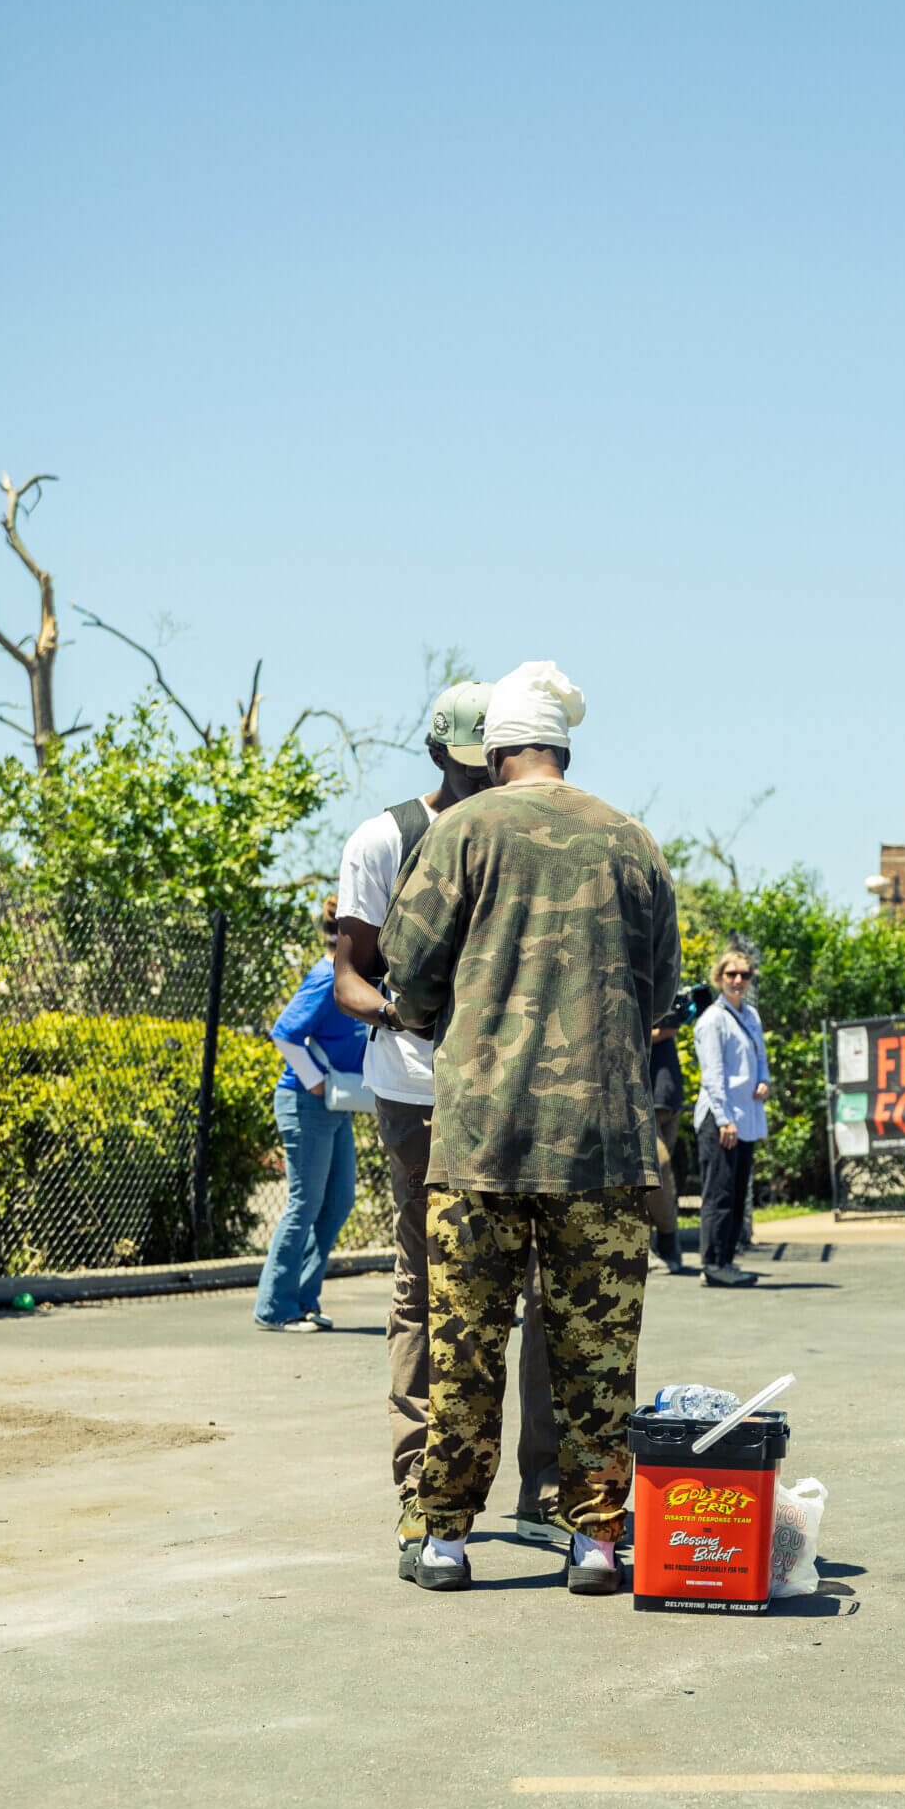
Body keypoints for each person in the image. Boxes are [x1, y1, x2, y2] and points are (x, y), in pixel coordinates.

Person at [380, 659, 680, 1598]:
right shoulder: (631, 841)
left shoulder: (463, 832)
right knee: (596, 1353)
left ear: (498, 749)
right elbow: (658, 987)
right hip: (603, 1144)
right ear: (561, 746)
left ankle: (443, 1541)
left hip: (480, 1143)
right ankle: (595, 1541)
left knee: (464, 1343)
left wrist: (453, 1015)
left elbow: (409, 971)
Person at [331, 680, 562, 1580]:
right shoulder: (385, 838)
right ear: (439, 758)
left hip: (519, 1095)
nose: (489, 781)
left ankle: (546, 1493)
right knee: (428, 1288)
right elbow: (349, 974)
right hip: (421, 1094)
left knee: (548, 1286)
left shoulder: (529, 833)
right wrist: (406, 1014)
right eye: (473, 768)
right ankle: (419, 1491)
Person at [253, 897, 365, 1334]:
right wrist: (317, 1082)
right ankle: (274, 1308)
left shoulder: (351, 976)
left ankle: (301, 1298)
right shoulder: (325, 977)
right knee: (305, 1204)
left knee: (338, 1201)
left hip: (335, 1107)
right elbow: (284, 1032)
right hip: (306, 1103)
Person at [692, 943, 770, 1288]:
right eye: (731, 974)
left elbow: (761, 1057)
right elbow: (713, 1075)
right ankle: (712, 1263)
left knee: (738, 1193)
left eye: (744, 975)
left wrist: (764, 1081)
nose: (738, 980)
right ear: (719, 978)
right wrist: (724, 1119)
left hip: (746, 1116)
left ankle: (727, 1260)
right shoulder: (713, 1020)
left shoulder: (751, 1016)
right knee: (719, 1193)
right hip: (720, 1119)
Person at [647, 1012, 686, 1272]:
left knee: (664, 1178)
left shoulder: (664, 983)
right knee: (656, 1166)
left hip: (668, 1095)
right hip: (639, 1095)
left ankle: (664, 1243)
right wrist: (659, 1033)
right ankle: (663, 1238)